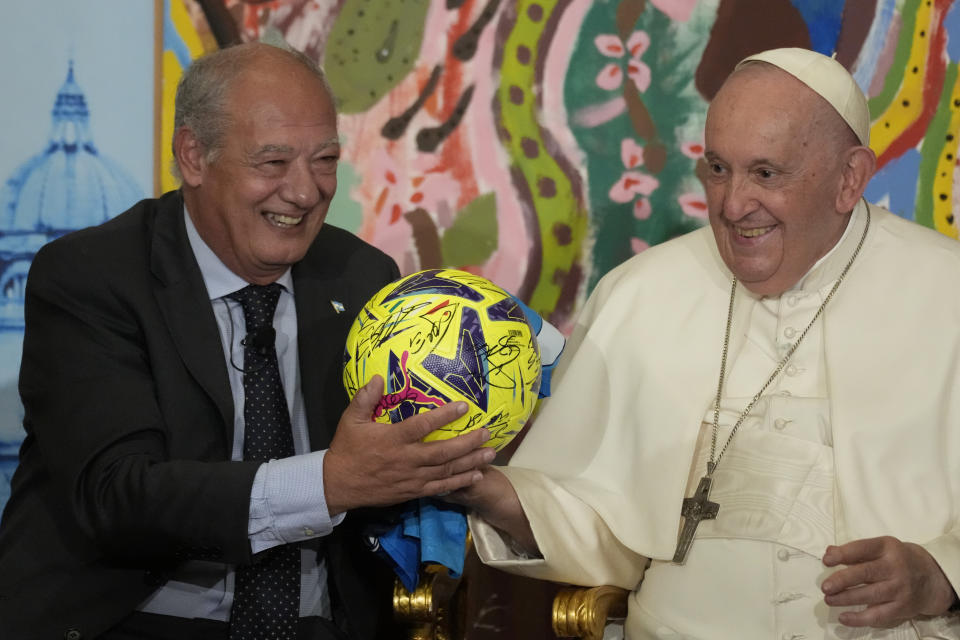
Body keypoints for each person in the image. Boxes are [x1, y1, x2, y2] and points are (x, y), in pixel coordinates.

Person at [454, 48, 960, 639]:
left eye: (766, 174)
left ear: (849, 177)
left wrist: (938, 573)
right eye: (717, 169)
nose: (732, 204)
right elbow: (594, 517)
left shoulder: (946, 291)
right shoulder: (640, 293)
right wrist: (482, 490)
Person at [0, 42, 496, 640]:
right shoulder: (92, 276)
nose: (307, 192)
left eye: (325, 160)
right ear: (193, 156)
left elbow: (390, 476)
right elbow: (117, 496)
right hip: (139, 619)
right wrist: (328, 481)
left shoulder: (362, 278)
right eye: (272, 163)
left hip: (321, 623)